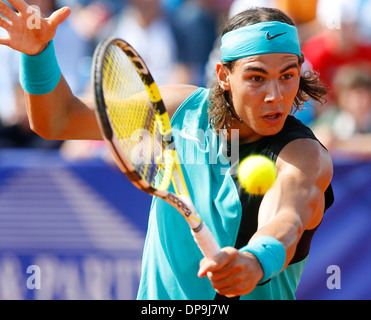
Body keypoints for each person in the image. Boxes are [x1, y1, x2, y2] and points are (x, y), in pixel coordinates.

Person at [0, 1, 334, 300]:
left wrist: (255, 259)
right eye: (256, 78)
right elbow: (59, 121)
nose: (275, 95)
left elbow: (287, 219)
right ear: (224, 76)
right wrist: (37, 53)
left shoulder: (305, 155)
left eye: (287, 76)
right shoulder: (179, 111)